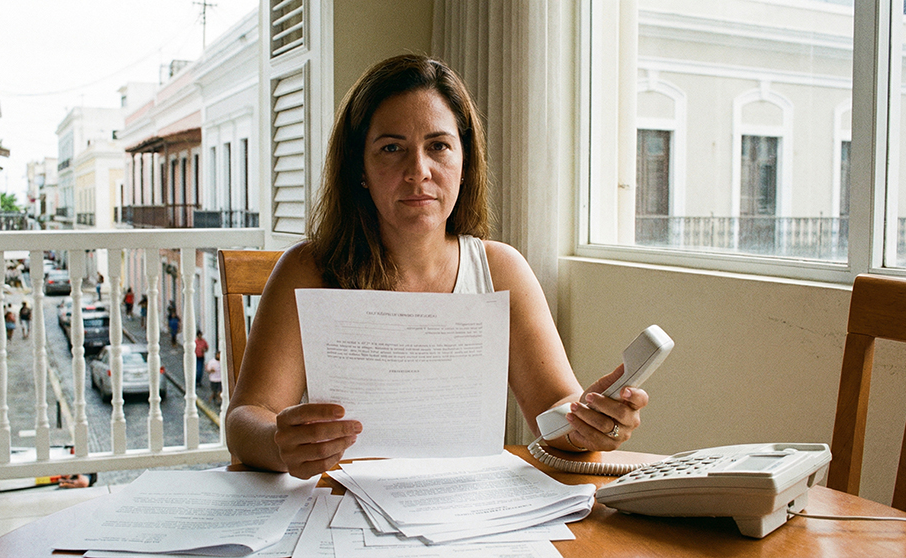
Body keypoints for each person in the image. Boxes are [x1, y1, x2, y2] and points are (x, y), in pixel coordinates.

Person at [226, 54, 648, 480]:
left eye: (438, 146)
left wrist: (586, 426)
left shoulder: (501, 270)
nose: (418, 172)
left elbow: (555, 410)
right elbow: (248, 417)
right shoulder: (307, 269)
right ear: (360, 168)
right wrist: (280, 445)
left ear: (465, 163)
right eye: (392, 148)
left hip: (468, 511)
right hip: (338, 506)